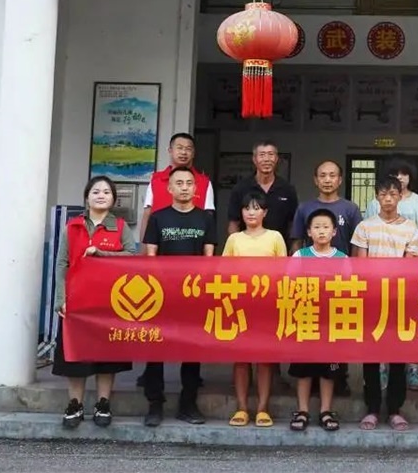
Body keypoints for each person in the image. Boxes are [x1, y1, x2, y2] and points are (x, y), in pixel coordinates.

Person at [53, 176, 138, 429]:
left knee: (106, 356)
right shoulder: (72, 226)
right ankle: (75, 404)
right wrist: (60, 298)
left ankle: (103, 403)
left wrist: (101, 253)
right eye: (96, 192)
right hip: (77, 301)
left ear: (113, 199)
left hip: (110, 302)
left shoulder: (120, 227)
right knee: (74, 355)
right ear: (87, 197)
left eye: (106, 192)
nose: (101, 195)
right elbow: (62, 264)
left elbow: (132, 257)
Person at [141, 165, 216, 426]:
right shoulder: (158, 218)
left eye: (189, 183)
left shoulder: (205, 219)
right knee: (155, 347)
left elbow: (209, 257)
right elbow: (151, 256)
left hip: (194, 294)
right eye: (179, 183)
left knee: (192, 349)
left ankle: (188, 404)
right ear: (169, 188)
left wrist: (199, 286)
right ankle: (155, 403)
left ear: (196, 189)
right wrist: (161, 285)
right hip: (162, 294)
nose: (184, 188)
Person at [352, 176, 418, 431]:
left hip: (399, 298)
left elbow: (411, 264)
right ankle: (371, 408)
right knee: (370, 356)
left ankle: (394, 409)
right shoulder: (365, 226)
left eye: (393, 194)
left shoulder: (410, 228)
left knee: (398, 356)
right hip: (372, 298)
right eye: (383, 194)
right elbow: (361, 264)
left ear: (400, 196)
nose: (388, 199)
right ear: (376, 197)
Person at [366, 160, 418, 391]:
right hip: (379, 277)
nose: (400, 178)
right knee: (381, 323)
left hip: (410, 273)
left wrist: (415, 264)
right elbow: (368, 234)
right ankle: (381, 370)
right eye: (395, 174)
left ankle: (412, 371)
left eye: (404, 174)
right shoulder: (373, 204)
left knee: (410, 322)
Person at [222, 191, 287, 428]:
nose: (251, 212)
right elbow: (223, 272)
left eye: (256, 208)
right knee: (240, 360)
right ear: (241, 212)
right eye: (247, 208)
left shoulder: (275, 237)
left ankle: (262, 409)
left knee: (264, 360)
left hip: (267, 306)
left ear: (265, 212)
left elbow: (284, 272)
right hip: (239, 305)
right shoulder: (234, 239)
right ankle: (241, 408)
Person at [288, 207, 345, 432]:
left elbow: (349, 288)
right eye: (317, 227)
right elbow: (289, 285)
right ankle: (302, 410)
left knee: (328, 369)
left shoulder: (342, 258)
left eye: (326, 227)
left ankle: (326, 410)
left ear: (334, 231)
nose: (321, 231)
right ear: (309, 232)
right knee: (303, 368)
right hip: (305, 318)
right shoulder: (300, 256)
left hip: (331, 322)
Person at [141, 132, 214, 239]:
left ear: (193, 153)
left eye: (188, 149)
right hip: (160, 243)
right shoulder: (156, 180)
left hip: (193, 242)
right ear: (170, 151)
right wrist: (143, 247)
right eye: (179, 148)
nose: (183, 152)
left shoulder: (204, 182)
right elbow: (147, 216)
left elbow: (209, 220)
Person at [226, 140, 298, 245]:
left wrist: (294, 249)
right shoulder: (241, 188)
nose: (266, 159)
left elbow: (293, 224)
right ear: (254, 159)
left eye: (271, 154)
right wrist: (235, 247)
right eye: (262, 155)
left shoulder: (287, 189)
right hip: (247, 248)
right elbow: (234, 223)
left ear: (276, 158)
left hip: (278, 249)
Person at [290, 160, 362, 255]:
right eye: (322, 176)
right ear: (316, 180)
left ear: (340, 180)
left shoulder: (351, 209)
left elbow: (357, 243)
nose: (327, 180)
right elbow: (297, 241)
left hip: (341, 263)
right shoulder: (304, 208)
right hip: (311, 263)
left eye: (332, 176)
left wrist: (352, 263)